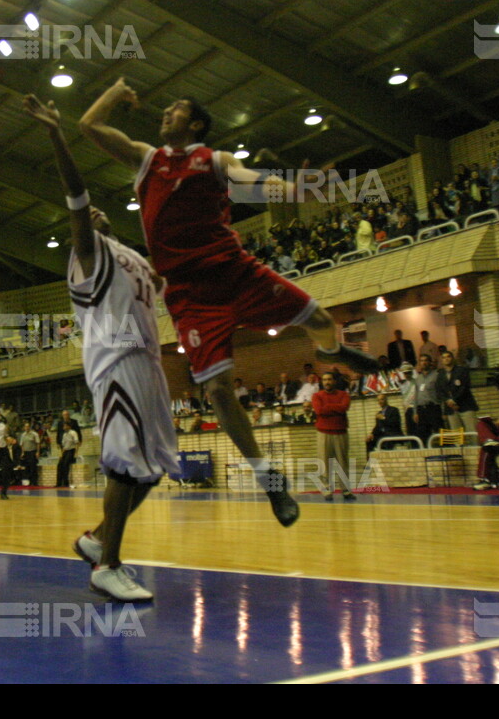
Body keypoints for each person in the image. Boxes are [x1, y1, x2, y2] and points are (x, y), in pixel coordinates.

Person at [77, 79, 383, 525]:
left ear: (196, 123)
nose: (167, 112)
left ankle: (332, 352)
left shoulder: (213, 160)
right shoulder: (148, 160)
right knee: (218, 390)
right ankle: (268, 478)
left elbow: (252, 181)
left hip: (236, 272)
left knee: (320, 317)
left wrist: (297, 188)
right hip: (190, 294)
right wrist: (116, 89)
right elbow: (89, 124)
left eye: (177, 107)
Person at [27, 94, 181, 600]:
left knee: (153, 469)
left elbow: (172, 278)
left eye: (97, 210)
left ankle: (96, 540)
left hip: (151, 364)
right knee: (123, 463)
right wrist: (55, 134)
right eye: (82, 214)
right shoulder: (88, 254)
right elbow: (75, 191)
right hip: (115, 362)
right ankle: (107, 567)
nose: (90, 211)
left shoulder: (133, 257)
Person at [312, 372, 354, 500]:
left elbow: (344, 407)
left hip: (340, 432)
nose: (327, 382)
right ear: (322, 382)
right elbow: (319, 410)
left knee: (343, 463)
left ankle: (346, 491)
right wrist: (336, 408)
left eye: (329, 379)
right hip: (323, 433)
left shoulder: (344, 394)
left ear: (334, 381)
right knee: (324, 463)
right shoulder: (316, 396)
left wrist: (328, 407)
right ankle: (327, 491)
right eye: (324, 380)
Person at [439, 349, 478, 431]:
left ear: (452, 358)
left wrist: (454, 400)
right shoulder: (440, 374)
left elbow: (464, 387)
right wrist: (447, 400)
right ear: (441, 360)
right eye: (443, 357)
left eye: (448, 356)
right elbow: (439, 390)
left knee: (472, 431)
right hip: (451, 408)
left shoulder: (462, 370)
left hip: (465, 405)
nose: (446, 359)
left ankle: (474, 444)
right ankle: (459, 444)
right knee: (456, 434)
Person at [56, 422, 80, 488]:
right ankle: (59, 483)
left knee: (65, 465)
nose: (64, 427)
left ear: (69, 426)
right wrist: (61, 454)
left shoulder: (73, 432)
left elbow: (77, 443)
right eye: (64, 426)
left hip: (71, 450)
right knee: (59, 465)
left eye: (65, 426)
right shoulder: (64, 434)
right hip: (65, 451)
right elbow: (64, 446)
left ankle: (66, 483)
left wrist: (76, 453)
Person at [18, 421, 40, 486]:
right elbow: (21, 444)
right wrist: (22, 452)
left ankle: (35, 482)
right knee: (27, 468)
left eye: (28, 426)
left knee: (33, 467)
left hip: (32, 452)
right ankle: (29, 482)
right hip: (26, 453)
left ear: (30, 427)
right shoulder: (23, 435)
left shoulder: (34, 434)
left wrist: (38, 452)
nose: (26, 428)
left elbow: (38, 443)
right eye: (25, 427)